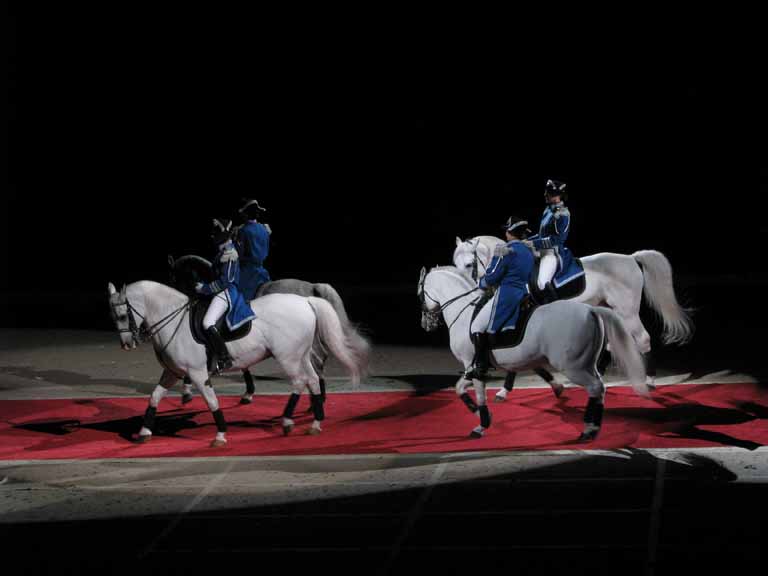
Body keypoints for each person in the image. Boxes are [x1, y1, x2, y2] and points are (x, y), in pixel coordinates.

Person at [464, 216, 535, 380]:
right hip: (523, 293)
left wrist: (481, 283)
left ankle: (481, 367)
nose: (505, 233)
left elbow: (493, 276)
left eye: (507, 230)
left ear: (510, 232)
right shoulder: (529, 251)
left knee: (476, 327)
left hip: (506, 293)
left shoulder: (505, 249)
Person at [195, 218, 255, 375]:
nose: (212, 237)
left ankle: (224, 357)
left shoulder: (229, 254)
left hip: (227, 292)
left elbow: (225, 282)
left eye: (215, 234)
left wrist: (204, 289)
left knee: (207, 323)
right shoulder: (223, 251)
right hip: (221, 291)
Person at [526, 178, 575, 303]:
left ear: (558, 196)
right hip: (540, 251)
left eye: (549, 193)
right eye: (546, 192)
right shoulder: (548, 210)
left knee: (542, 283)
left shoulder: (563, 214)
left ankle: (554, 307)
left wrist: (533, 243)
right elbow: (542, 234)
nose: (545, 195)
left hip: (552, 254)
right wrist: (526, 241)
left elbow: (558, 240)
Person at [235, 199, 272, 301]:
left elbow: (238, 255)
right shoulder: (265, 229)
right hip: (262, 272)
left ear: (246, 215)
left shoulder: (243, 231)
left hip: (247, 275)